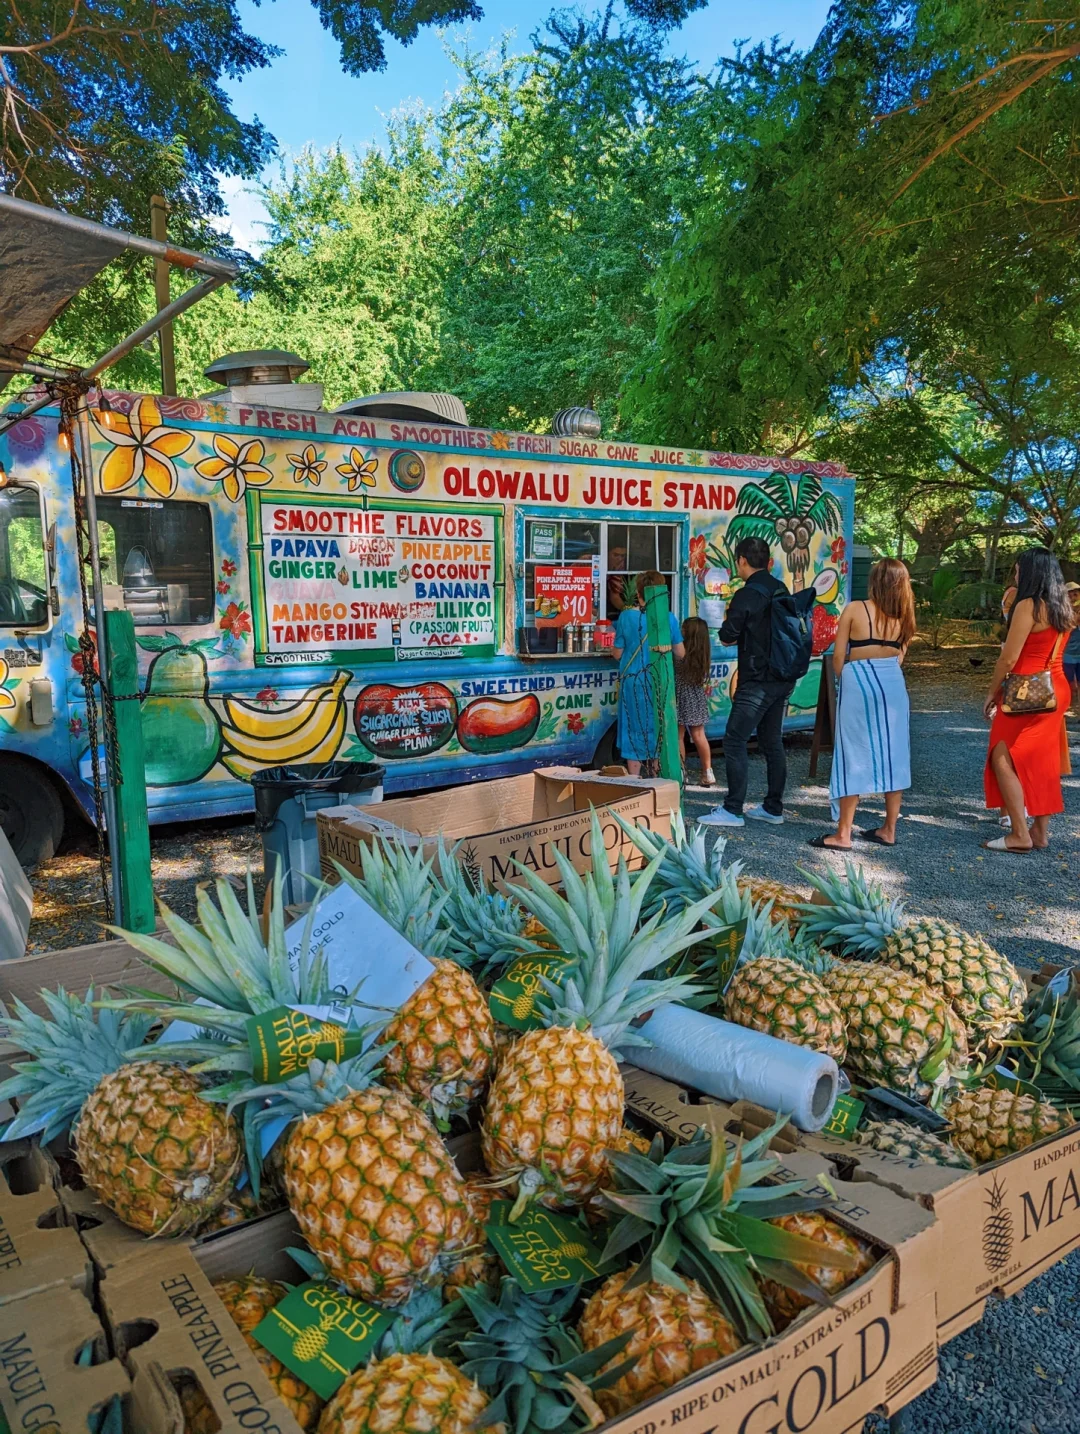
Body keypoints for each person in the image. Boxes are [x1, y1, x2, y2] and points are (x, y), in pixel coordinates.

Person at [810, 559, 915, 850]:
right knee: (895, 752)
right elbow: (899, 657)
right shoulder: (905, 616)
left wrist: (851, 680)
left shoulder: (856, 609)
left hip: (858, 678)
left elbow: (838, 656)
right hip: (893, 681)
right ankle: (889, 829)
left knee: (852, 751)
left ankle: (843, 833)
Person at [983, 549, 1075, 854]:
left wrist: (992, 693)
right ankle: (1039, 831)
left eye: (1019, 569)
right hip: (1056, 687)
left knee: (1001, 756)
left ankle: (1019, 834)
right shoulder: (1062, 606)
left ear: (1031, 572)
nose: (1016, 575)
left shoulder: (1028, 605)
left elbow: (1008, 658)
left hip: (1027, 689)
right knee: (1042, 759)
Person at [699, 537, 791, 828]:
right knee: (772, 741)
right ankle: (773, 807)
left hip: (756, 679)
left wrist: (726, 619)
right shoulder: (780, 588)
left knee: (735, 739)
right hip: (782, 676)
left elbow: (728, 634)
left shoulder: (746, 594)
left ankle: (733, 809)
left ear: (741, 560)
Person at [612, 569, 684, 776]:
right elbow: (681, 652)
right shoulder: (668, 618)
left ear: (638, 591)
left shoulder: (626, 617)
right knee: (658, 726)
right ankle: (656, 777)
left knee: (633, 728)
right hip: (660, 682)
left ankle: (634, 780)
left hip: (633, 682)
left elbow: (617, 654)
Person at [675, 615, 714, 785]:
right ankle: (707, 772)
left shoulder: (679, 655)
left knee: (678, 736)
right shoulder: (701, 655)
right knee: (699, 735)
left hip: (679, 696)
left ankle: (681, 773)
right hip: (696, 697)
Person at [1065, 581, 1080, 717]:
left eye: (1076, 592)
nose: (1074, 595)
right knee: (1068, 685)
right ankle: (1065, 710)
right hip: (1066, 654)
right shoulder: (1061, 611)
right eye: (1070, 592)